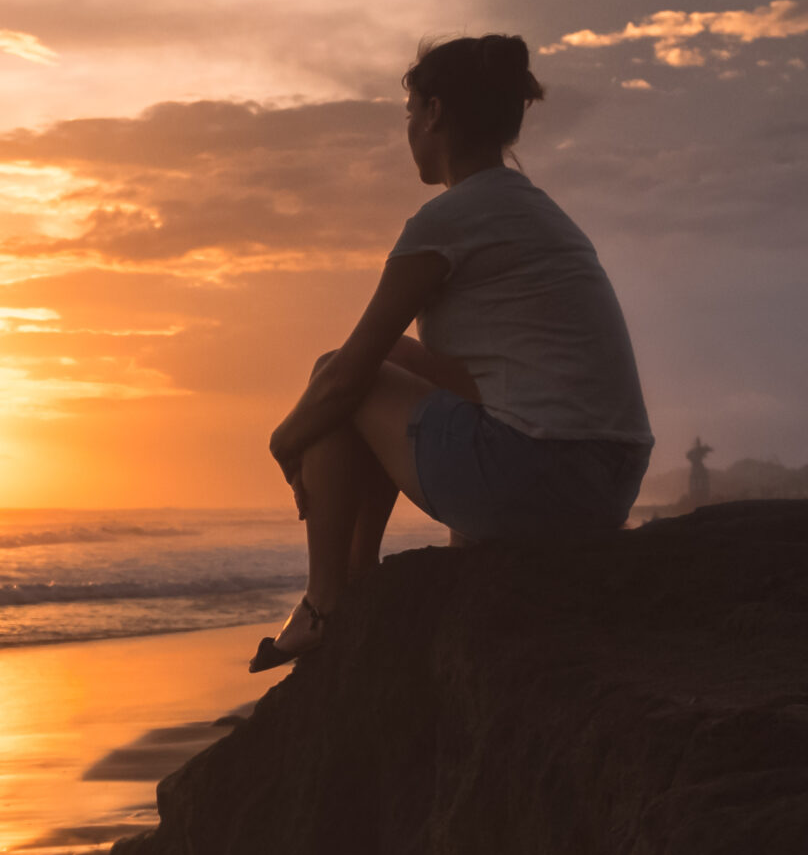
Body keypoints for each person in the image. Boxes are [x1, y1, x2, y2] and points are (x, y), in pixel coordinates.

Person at [248, 34, 654, 672]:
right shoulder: (536, 213)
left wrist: (284, 443)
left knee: (334, 374)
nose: (408, 128)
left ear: (434, 113)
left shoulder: (447, 220)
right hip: (608, 482)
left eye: (410, 112)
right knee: (393, 363)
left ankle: (327, 602)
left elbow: (347, 377)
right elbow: (491, 381)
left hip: (542, 480)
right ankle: (358, 577)